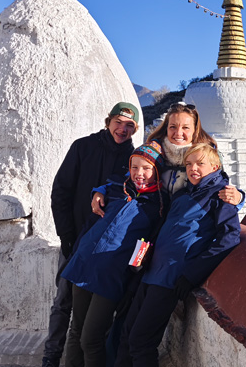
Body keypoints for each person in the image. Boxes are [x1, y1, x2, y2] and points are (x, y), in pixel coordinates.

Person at [115, 143, 241, 367]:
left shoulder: (220, 196)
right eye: (189, 164)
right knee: (126, 334)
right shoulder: (183, 193)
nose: (193, 168)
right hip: (151, 271)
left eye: (200, 163)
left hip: (171, 278)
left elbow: (229, 238)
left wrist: (192, 274)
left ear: (215, 166)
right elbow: (164, 228)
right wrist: (141, 257)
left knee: (141, 341)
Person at [43, 102, 140, 367]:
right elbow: (61, 192)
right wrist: (67, 236)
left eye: (129, 125)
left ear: (136, 129)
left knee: (96, 319)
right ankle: (52, 356)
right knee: (64, 301)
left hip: (103, 251)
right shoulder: (83, 147)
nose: (122, 128)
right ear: (108, 121)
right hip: (75, 241)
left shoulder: (132, 161)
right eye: (118, 122)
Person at [61, 143, 165, 367]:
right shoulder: (117, 188)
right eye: (135, 167)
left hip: (111, 276)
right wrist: (99, 190)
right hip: (85, 263)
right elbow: (106, 187)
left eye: (146, 168)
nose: (140, 173)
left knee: (91, 339)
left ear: (157, 171)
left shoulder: (158, 205)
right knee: (76, 330)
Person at [92, 102, 242, 214]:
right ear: (166, 127)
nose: (178, 132)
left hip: (187, 223)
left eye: (185, 127)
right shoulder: (153, 152)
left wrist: (239, 197)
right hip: (152, 218)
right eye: (173, 127)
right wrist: (101, 191)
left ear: (195, 129)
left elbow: (220, 185)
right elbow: (130, 178)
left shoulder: (205, 157)